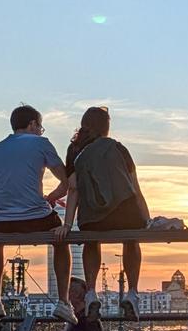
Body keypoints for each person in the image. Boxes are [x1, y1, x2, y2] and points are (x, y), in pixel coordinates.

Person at [56, 107, 151, 319]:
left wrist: (67, 224)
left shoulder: (75, 151)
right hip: (127, 214)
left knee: (92, 241)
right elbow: (134, 186)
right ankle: (132, 292)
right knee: (131, 239)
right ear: (106, 127)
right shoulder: (118, 148)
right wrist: (146, 218)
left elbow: (73, 188)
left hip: (92, 218)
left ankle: (91, 292)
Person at [0, 105, 72, 322]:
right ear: (32, 124)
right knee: (61, 240)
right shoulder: (41, 143)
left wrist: (4, 212)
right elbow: (66, 181)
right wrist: (49, 198)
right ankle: (63, 302)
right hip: (36, 217)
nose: (41, 132)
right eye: (40, 127)